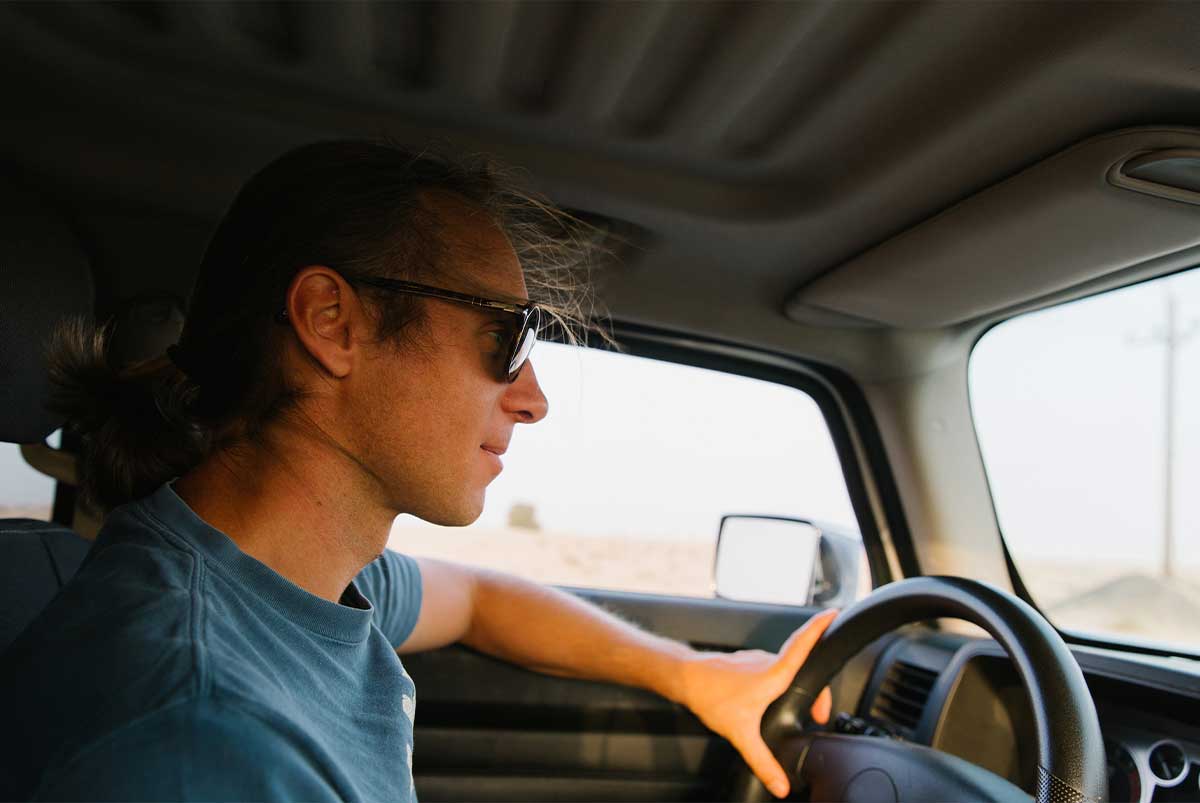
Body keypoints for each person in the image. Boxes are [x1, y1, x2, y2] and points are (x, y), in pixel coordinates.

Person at [0, 141, 835, 802]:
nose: (534, 399)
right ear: (334, 323)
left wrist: (693, 674)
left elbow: (476, 600)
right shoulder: (204, 742)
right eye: (504, 336)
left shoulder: (293, 577)